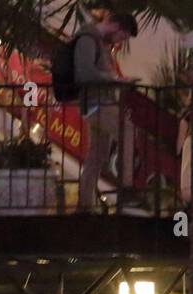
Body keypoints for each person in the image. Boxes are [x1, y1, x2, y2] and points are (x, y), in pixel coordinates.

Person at [75, 11, 139, 213]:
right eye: (123, 36)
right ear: (116, 26)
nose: (120, 41)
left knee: (97, 155)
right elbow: (85, 72)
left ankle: (84, 205)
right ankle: (127, 188)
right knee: (127, 130)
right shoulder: (87, 38)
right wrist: (115, 80)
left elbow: (93, 72)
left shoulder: (98, 42)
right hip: (97, 103)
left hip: (95, 103)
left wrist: (115, 80)